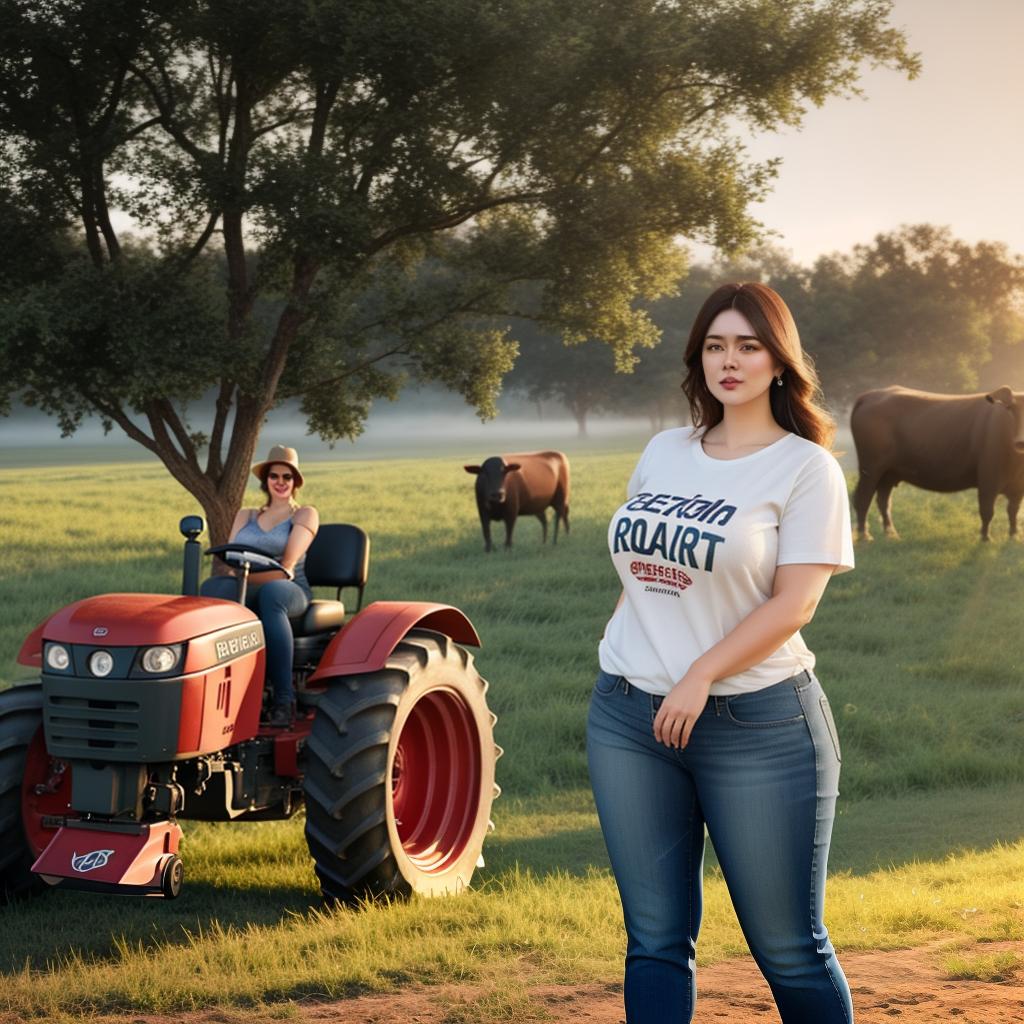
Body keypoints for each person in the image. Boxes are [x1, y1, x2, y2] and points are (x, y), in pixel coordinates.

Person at [588, 282, 855, 1023]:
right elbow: (635, 566)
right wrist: (623, 654)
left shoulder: (806, 469)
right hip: (628, 719)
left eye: (747, 345)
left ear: (779, 361)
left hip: (757, 726)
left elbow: (795, 603)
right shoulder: (665, 449)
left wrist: (699, 672)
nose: (728, 361)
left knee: (789, 947)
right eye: (714, 345)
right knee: (653, 942)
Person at [201, 444, 320, 727]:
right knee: (213, 589)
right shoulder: (246, 515)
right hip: (245, 581)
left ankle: (283, 698)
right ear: (265, 480)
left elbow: (286, 568)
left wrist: (241, 577)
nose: (280, 482)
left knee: (271, 594)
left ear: (295, 482)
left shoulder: (304, 514)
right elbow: (231, 558)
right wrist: (235, 577)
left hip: (290, 588)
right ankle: (217, 690)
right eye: (274, 476)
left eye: (286, 477)